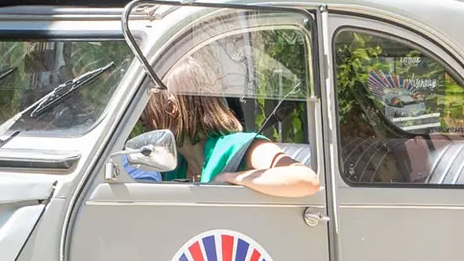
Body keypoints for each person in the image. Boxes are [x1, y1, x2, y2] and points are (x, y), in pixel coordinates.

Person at [131, 57, 322, 199]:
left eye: (145, 109)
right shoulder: (174, 165)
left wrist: (231, 178)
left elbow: (305, 179)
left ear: (171, 108)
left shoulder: (236, 147)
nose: (141, 120)